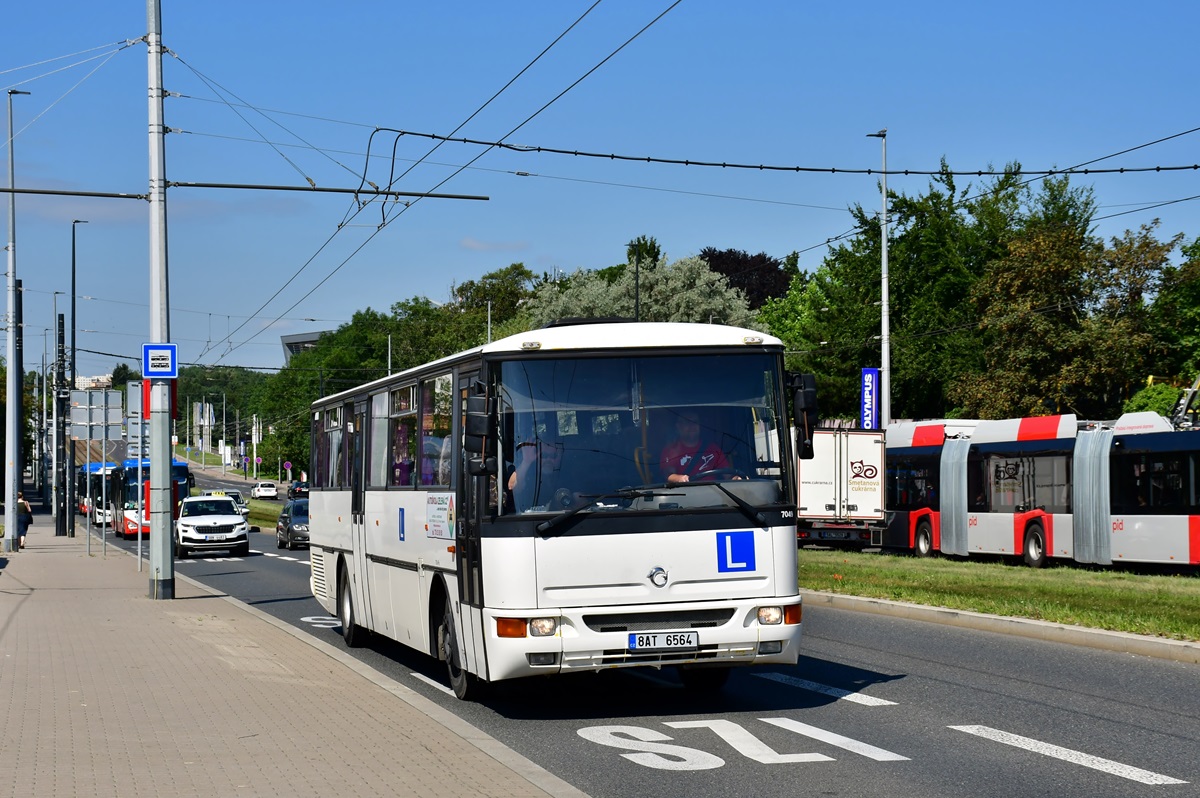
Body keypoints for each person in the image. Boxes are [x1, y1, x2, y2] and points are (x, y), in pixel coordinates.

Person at [659, 410, 731, 484]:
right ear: (678, 426)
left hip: (713, 492)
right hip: (686, 492)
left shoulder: (713, 449)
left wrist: (737, 478)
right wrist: (679, 478)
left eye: (695, 422)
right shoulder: (671, 450)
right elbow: (668, 475)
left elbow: (728, 474)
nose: (692, 425)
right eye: (687, 422)